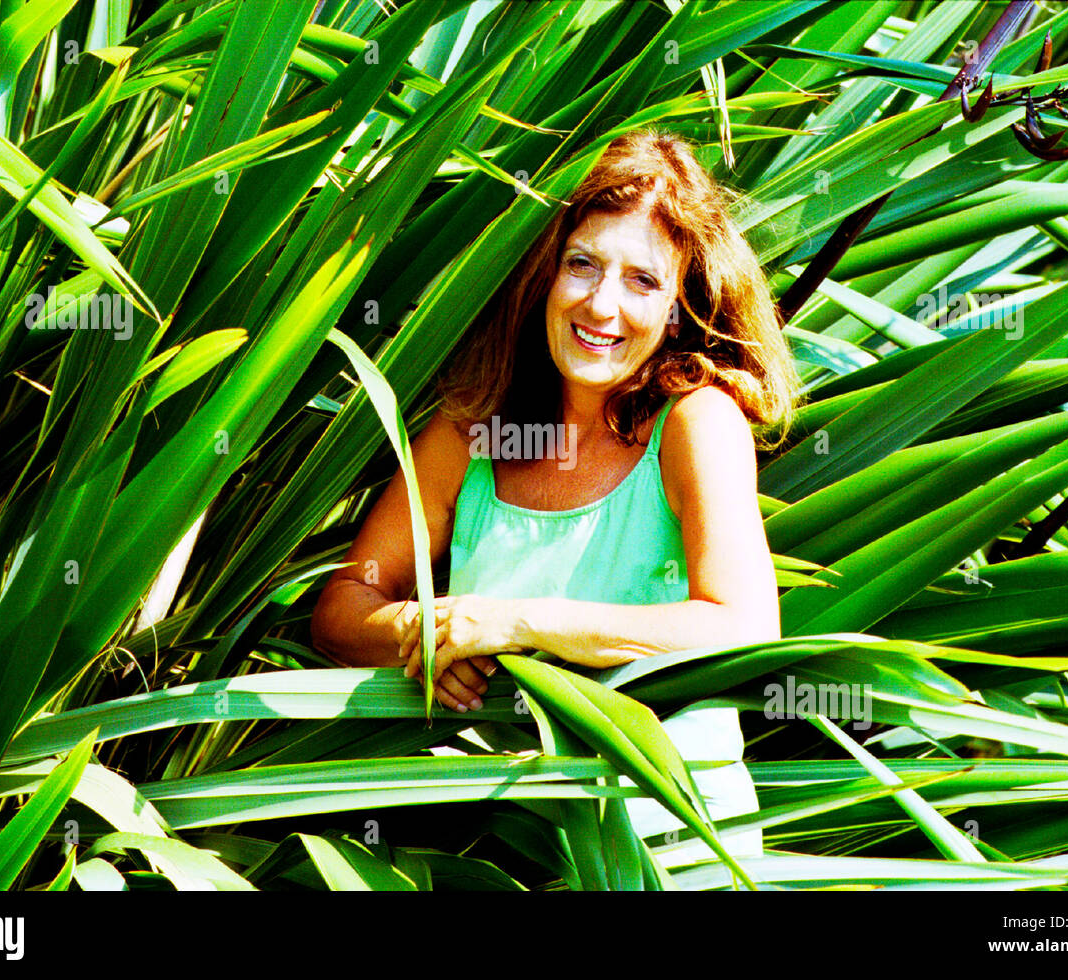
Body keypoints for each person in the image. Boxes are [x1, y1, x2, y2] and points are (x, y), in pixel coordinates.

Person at [311, 127, 801, 853]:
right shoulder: (475, 429)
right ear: (545, 272)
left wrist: (518, 623)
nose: (602, 305)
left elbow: (745, 629)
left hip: (670, 847)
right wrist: (429, 633)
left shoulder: (695, 422)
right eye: (582, 264)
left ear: (681, 303)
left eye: (642, 281)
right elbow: (342, 609)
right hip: (490, 850)